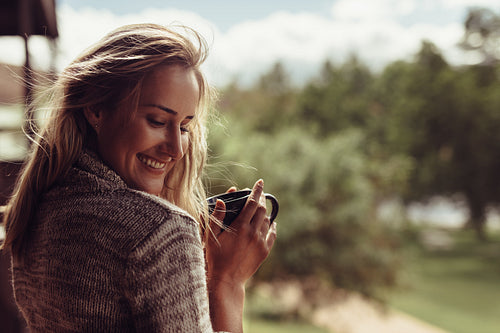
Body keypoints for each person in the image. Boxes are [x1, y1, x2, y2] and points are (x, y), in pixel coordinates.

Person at [0, 23, 277, 332]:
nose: (175, 148)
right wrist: (227, 282)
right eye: (157, 121)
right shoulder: (160, 229)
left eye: (184, 127)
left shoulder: (36, 212)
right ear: (96, 109)